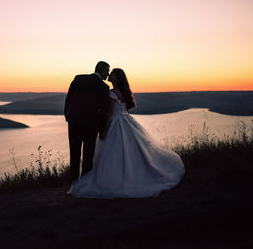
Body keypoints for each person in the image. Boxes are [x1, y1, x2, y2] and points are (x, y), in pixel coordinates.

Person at [68, 68, 185, 198]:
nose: (109, 75)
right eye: (109, 72)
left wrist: (104, 131)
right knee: (130, 152)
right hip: (126, 121)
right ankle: (133, 175)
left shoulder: (111, 93)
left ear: (117, 78)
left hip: (115, 124)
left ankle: (115, 179)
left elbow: (110, 114)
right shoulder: (124, 92)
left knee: (114, 153)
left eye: (111, 74)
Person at [64, 61, 110, 181]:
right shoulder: (104, 87)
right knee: (88, 156)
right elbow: (104, 110)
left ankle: (73, 184)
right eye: (107, 71)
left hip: (74, 123)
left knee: (74, 155)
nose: (108, 75)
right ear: (102, 70)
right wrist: (101, 129)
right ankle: (85, 184)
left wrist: (68, 116)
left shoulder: (79, 78)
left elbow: (69, 98)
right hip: (91, 125)